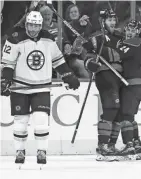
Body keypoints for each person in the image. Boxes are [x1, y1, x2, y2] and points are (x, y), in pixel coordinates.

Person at [1, 11, 80, 164]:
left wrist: (68, 75)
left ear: (40, 25)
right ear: (26, 24)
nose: (33, 28)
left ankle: (41, 152)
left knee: (41, 119)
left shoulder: (48, 38)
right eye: (31, 25)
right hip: (20, 86)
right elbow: (7, 63)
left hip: (41, 87)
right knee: (20, 121)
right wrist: (6, 80)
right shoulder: (15, 38)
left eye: (36, 25)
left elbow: (58, 61)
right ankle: (20, 152)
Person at [84, 9, 123, 161]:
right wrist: (90, 64)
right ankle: (102, 146)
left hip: (121, 76)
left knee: (120, 112)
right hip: (106, 75)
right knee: (111, 108)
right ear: (102, 22)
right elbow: (88, 58)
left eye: (114, 19)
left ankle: (111, 145)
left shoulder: (120, 36)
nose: (113, 22)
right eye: (109, 20)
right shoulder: (96, 38)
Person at [116, 20, 141, 158]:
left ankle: (129, 145)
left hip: (131, 84)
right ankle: (137, 143)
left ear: (138, 31)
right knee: (130, 116)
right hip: (137, 85)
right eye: (128, 29)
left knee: (125, 115)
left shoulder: (132, 43)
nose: (130, 32)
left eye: (133, 30)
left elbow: (118, 55)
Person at [63, 4, 92, 78]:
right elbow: (65, 39)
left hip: (86, 54)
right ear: (68, 14)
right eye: (71, 12)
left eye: (75, 11)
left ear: (79, 13)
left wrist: (86, 26)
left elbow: (89, 38)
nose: (73, 13)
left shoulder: (84, 23)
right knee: (81, 64)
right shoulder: (65, 26)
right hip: (72, 57)